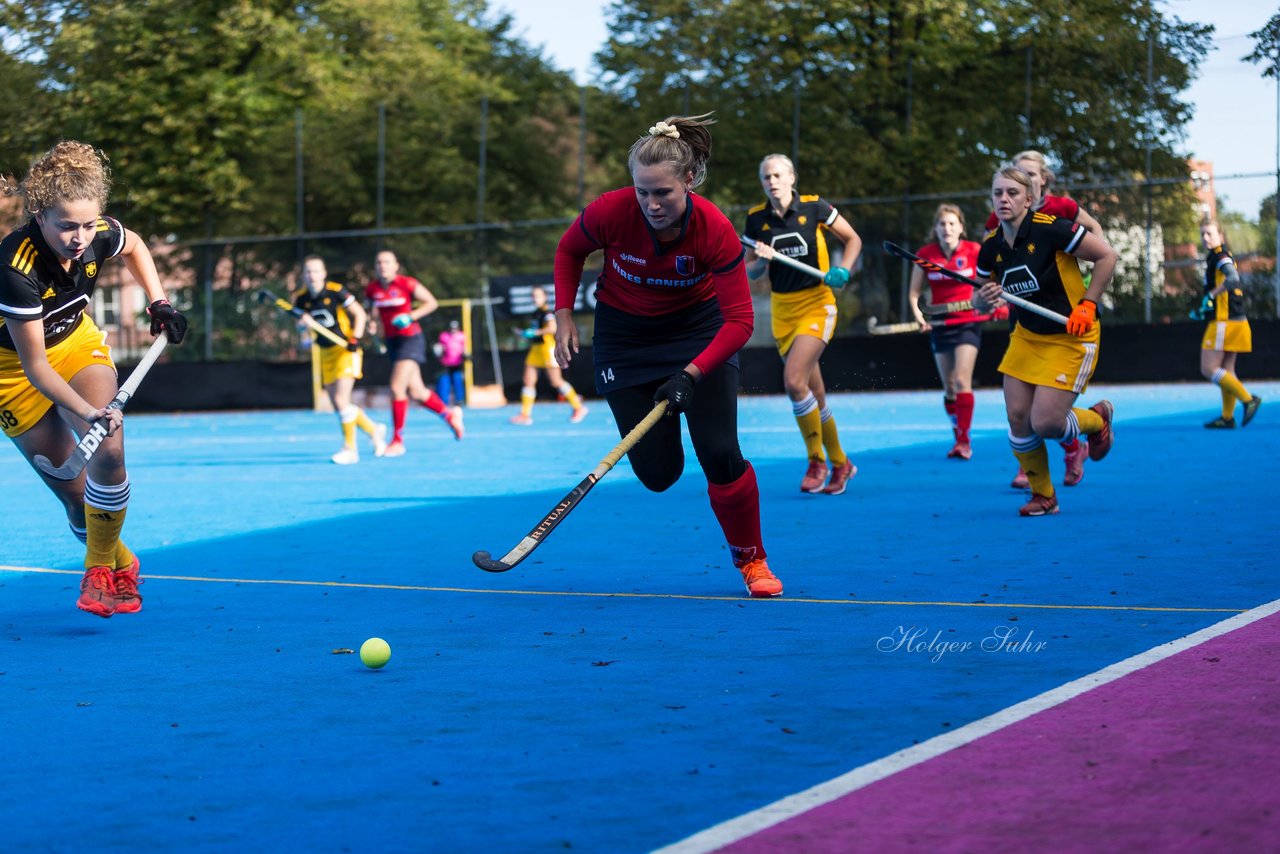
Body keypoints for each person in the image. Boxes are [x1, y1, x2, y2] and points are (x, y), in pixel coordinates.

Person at [552, 113, 781, 597]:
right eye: (642, 192)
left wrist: (691, 374)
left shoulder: (714, 229)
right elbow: (569, 251)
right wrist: (563, 314)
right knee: (659, 475)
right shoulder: (609, 211)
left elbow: (741, 321)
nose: (651, 205)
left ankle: (753, 562)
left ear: (689, 181)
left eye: (663, 193)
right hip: (624, 340)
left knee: (719, 453)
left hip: (698, 335)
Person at [0, 141, 188, 617]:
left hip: (77, 345)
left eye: (89, 224)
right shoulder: (13, 269)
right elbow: (36, 367)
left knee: (109, 445)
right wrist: (86, 412)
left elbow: (136, 245)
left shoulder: (95, 232)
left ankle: (100, 570)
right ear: (39, 215)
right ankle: (122, 562)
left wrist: (159, 301)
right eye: (67, 226)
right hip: (14, 371)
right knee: (74, 497)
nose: (81, 237)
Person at [971, 165, 1117, 517]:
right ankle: (1044, 495)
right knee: (1018, 417)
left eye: (1012, 193)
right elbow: (978, 298)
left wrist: (1089, 303)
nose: (1004, 199)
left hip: (1072, 336)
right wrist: (985, 297)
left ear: (1030, 198)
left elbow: (1107, 256)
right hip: (1027, 336)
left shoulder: (1053, 230)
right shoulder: (990, 248)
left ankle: (1098, 419)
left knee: (1047, 423)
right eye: (998, 193)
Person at [742, 154, 861, 494]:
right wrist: (759, 262)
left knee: (795, 381)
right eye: (766, 176)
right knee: (816, 394)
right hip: (783, 310)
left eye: (779, 174)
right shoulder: (756, 219)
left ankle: (816, 461)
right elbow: (750, 271)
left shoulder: (814, 208)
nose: (772, 181)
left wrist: (845, 270)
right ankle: (841, 464)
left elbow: (853, 240)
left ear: (792, 177)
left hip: (817, 303)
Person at [906, 203, 987, 460]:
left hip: (967, 323)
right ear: (936, 229)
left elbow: (991, 283)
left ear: (961, 227)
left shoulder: (974, 251)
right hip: (940, 324)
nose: (947, 228)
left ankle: (964, 441)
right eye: (942, 224)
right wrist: (920, 316)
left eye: (952, 223)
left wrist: (992, 303)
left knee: (962, 380)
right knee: (949, 387)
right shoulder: (925, 254)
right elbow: (914, 293)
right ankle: (957, 432)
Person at [364, 249, 463, 455]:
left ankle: (397, 441)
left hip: (411, 339)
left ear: (396, 265)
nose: (383, 266)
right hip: (392, 342)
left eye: (387, 262)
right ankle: (449, 414)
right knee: (417, 392)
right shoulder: (372, 289)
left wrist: (410, 316)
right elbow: (372, 311)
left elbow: (431, 302)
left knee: (396, 388)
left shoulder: (406, 283)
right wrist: (372, 324)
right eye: (379, 262)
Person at [292, 255, 387, 464]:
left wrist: (356, 337)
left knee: (341, 401)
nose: (312, 275)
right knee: (338, 405)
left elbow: (360, 314)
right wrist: (303, 324)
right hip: (325, 353)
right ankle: (374, 430)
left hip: (345, 350)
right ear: (304, 276)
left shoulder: (336, 291)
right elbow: (300, 328)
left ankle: (350, 449)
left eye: (316, 271)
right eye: (308, 272)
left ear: (324, 273)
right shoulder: (301, 298)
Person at [1196, 221, 1261, 428]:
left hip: (1225, 323)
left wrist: (1211, 295)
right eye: (1202, 234)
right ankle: (1227, 417)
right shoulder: (1218, 256)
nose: (1205, 238)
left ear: (1221, 236)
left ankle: (1248, 400)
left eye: (1209, 234)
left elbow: (1233, 279)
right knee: (1226, 370)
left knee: (1208, 368)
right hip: (1236, 321)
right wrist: (1205, 306)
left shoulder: (1220, 256)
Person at [509, 285, 587, 425]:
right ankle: (525, 415)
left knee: (556, 381)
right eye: (533, 296)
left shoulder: (547, 313)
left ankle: (578, 407)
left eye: (538, 295)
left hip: (547, 348)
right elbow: (537, 331)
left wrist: (533, 332)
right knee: (528, 380)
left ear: (545, 297)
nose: (535, 298)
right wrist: (525, 333)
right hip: (536, 349)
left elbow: (552, 328)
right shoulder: (536, 313)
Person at [435, 319, 468, 407]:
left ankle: (460, 400)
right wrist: (439, 352)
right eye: (452, 328)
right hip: (446, 364)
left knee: (458, 380)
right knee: (444, 381)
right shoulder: (444, 336)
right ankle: (443, 401)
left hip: (457, 364)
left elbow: (464, 348)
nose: (453, 330)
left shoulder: (462, 336)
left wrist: (465, 354)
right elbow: (440, 348)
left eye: (455, 328)